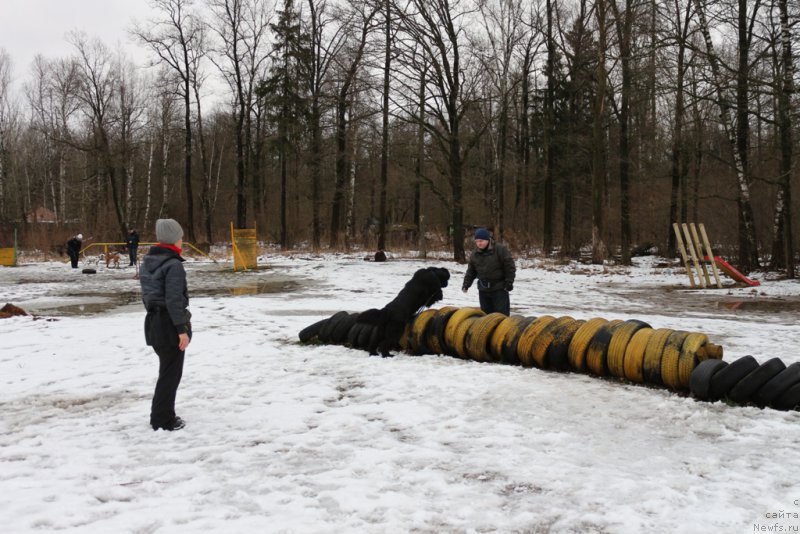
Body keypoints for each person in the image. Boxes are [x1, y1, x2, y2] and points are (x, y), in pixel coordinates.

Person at [139, 219, 192, 431]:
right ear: (173, 239)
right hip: (169, 324)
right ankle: (163, 419)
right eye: (180, 237)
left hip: (154, 322)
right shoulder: (173, 265)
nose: (182, 241)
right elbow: (173, 300)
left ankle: (162, 414)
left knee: (166, 371)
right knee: (170, 375)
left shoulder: (147, 262)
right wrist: (181, 329)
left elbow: (147, 297)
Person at [462, 227, 516, 316]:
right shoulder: (474, 254)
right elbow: (471, 271)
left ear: (488, 239)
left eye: (481, 241)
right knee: (486, 318)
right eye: (477, 241)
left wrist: (509, 282)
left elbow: (510, 267)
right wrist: (466, 284)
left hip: (499, 289)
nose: (479, 243)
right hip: (483, 290)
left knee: (501, 316)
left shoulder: (500, 250)